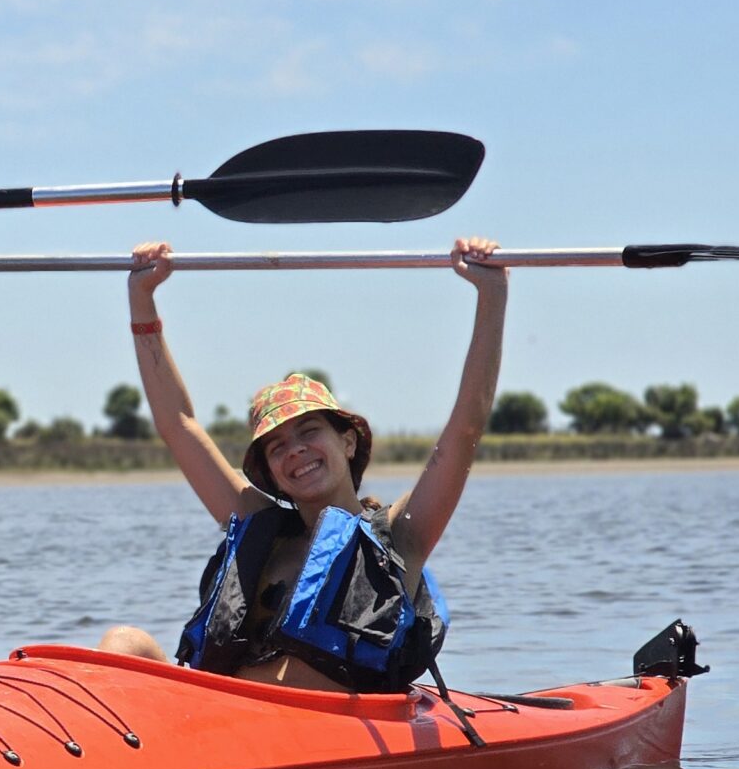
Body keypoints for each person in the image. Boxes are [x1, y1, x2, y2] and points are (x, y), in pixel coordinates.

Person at [99, 237, 507, 693]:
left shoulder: (402, 533)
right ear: (270, 472)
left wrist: (492, 295)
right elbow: (179, 425)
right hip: (225, 716)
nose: (294, 450)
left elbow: (465, 428)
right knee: (123, 642)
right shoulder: (258, 524)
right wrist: (142, 298)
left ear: (347, 442)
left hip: (319, 731)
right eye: (276, 447)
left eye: (309, 432)